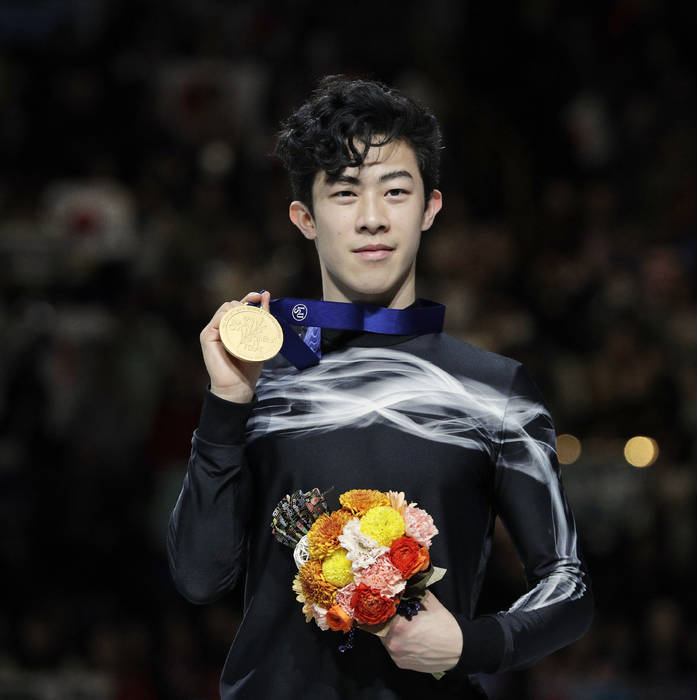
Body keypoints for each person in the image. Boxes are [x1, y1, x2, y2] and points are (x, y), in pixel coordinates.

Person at [168, 75, 593, 699]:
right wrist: (226, 406)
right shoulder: (261, 379)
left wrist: (471, 644)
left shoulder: (494, 392)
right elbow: (200, 578)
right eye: (344, 193)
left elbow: (569, 584)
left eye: (395, 192)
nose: (371, 218)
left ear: (430, 209)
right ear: (304, 218)